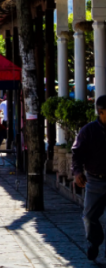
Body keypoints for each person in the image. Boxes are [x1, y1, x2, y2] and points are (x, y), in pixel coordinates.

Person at [72, 95, 106, 260]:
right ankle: (95, 242)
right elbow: (77, 154)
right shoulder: (88, 131)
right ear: (101, 112)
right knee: (89, 217)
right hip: (95, 180)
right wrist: (77, 172)